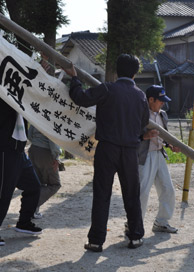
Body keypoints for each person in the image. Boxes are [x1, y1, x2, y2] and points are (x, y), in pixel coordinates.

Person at [63, 54, 149, 252]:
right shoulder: (140, 95)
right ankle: (135, 237)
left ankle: (96, 241)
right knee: (132, 194)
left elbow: (81, 99)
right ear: (135, 73)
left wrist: (75, 78)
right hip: (129, 151)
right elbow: (143, 122)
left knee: (102, 194)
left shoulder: (107, 88)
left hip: (107, 148)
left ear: (117, 71)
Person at [0, 95, 42, 246]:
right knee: (4, 192)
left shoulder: (21, 94)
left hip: (20, 151)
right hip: (6, 151)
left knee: (34, 186)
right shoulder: (3, 94)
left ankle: (24, 222)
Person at [137, 85, 181, 234]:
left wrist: (170, 145)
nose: (162, 103)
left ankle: (161, 222)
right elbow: (131, 135)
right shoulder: (140, 114)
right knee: (142, 192)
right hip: (144, 156)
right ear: (151, 99)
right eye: (160, 101)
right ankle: (135, 224)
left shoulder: (163, 115)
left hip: (159, 155)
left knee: (168, 189)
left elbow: (164, 136)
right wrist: (144, 136)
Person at [28, 125, 62, 219]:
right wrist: (56, 157)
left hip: (33, 149)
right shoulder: (52, 118)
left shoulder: (38, 114)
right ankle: (31, 205)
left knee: (38, 183)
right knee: (55, 184)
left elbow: (29, 134)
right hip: (46, 152)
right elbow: (53, 140)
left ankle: (33, 210)